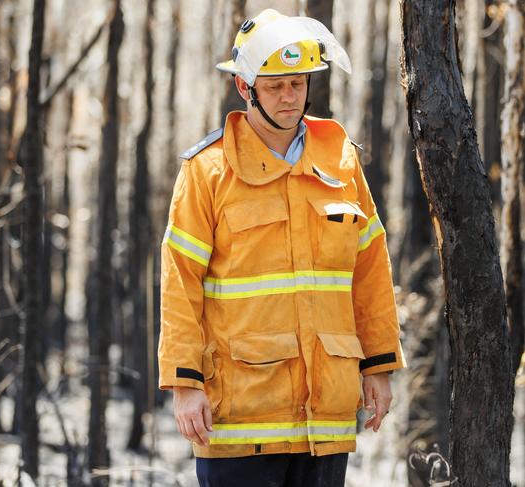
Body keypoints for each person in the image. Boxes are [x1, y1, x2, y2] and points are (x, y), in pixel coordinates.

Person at [158, 9, 406, 487]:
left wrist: (378, 366)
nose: (290, 97)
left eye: (297, 83)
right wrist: (185, 385)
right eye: (274, 86)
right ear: (245, 88)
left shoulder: (340, 160)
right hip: (240, 414)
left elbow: (370, 269)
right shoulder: (208, 170)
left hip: (326, 415)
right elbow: (179, 281)